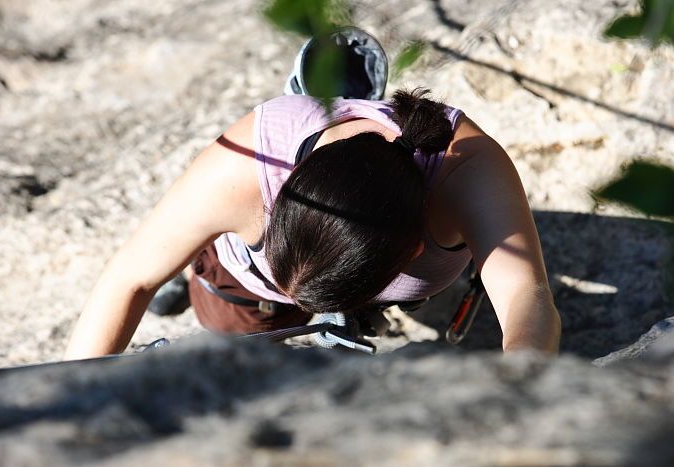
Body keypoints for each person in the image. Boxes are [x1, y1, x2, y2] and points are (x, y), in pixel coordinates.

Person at [63, 28, 561, 360]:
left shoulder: (469, 171)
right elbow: (126, 279)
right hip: (251, 286)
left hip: (385, 260)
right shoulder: (244, 169)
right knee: (234, 333)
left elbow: (527, 297)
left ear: (411, 250)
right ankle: (194, 266)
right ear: (284, 193)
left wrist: (518, 391)